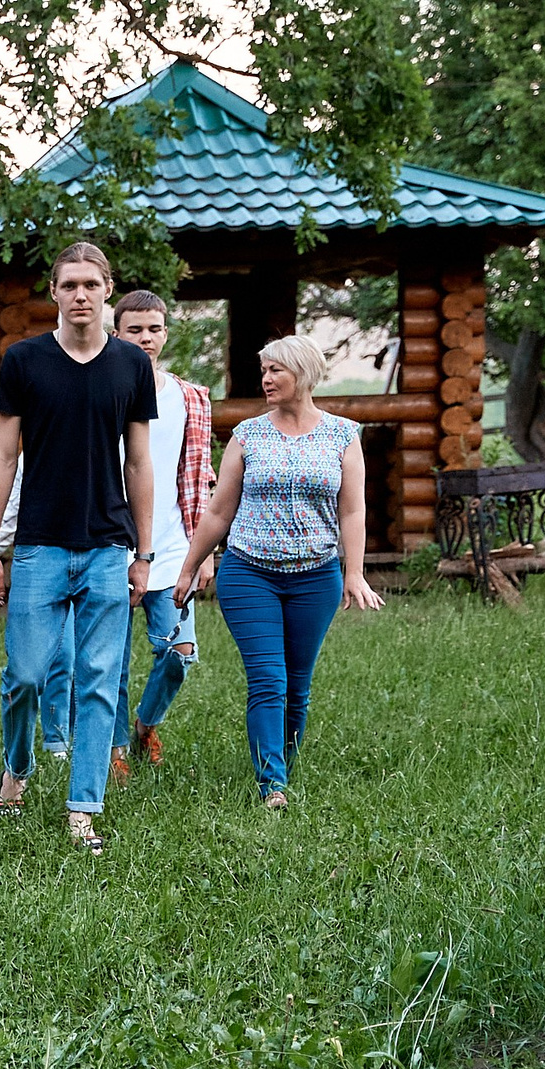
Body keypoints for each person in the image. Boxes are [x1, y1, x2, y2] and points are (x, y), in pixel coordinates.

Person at [0, 241, 157, 855]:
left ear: (107, 291)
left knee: (99, 682)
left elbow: (139, 463)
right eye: (69, 284)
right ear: (53, 292)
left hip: (107, 546)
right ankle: (17, 770)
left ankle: (83, 809)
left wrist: (144, 553)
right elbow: (3, 457)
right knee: (23, 678)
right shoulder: (24, 360)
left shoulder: (131, 365)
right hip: (39, 547)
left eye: (91, 285)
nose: (80, 295)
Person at [175, 333, 379, 807]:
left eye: (275, 371)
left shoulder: (342, 435)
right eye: (264, 370)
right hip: (250, 574)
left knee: (298, 686)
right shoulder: (248, 435)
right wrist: (189, 568)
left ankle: (282, 761)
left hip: (316, 577)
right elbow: (218, 511)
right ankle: (273, 785)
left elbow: (353, 511)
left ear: (302, 374)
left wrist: (354, 572)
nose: (265, 379)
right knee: (268, 678)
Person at [111, 290, 214, 767]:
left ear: (165, 333)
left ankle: (144, 725)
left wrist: (204, 549)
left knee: (180, 652)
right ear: (116, 334)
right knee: (109, 662)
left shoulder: (190, 397)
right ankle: (113, 749)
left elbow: (200, 474)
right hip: (110, 543)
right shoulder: (103, 390)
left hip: (173, 544)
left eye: (153, 329)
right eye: (134, 330)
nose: (145, 338)